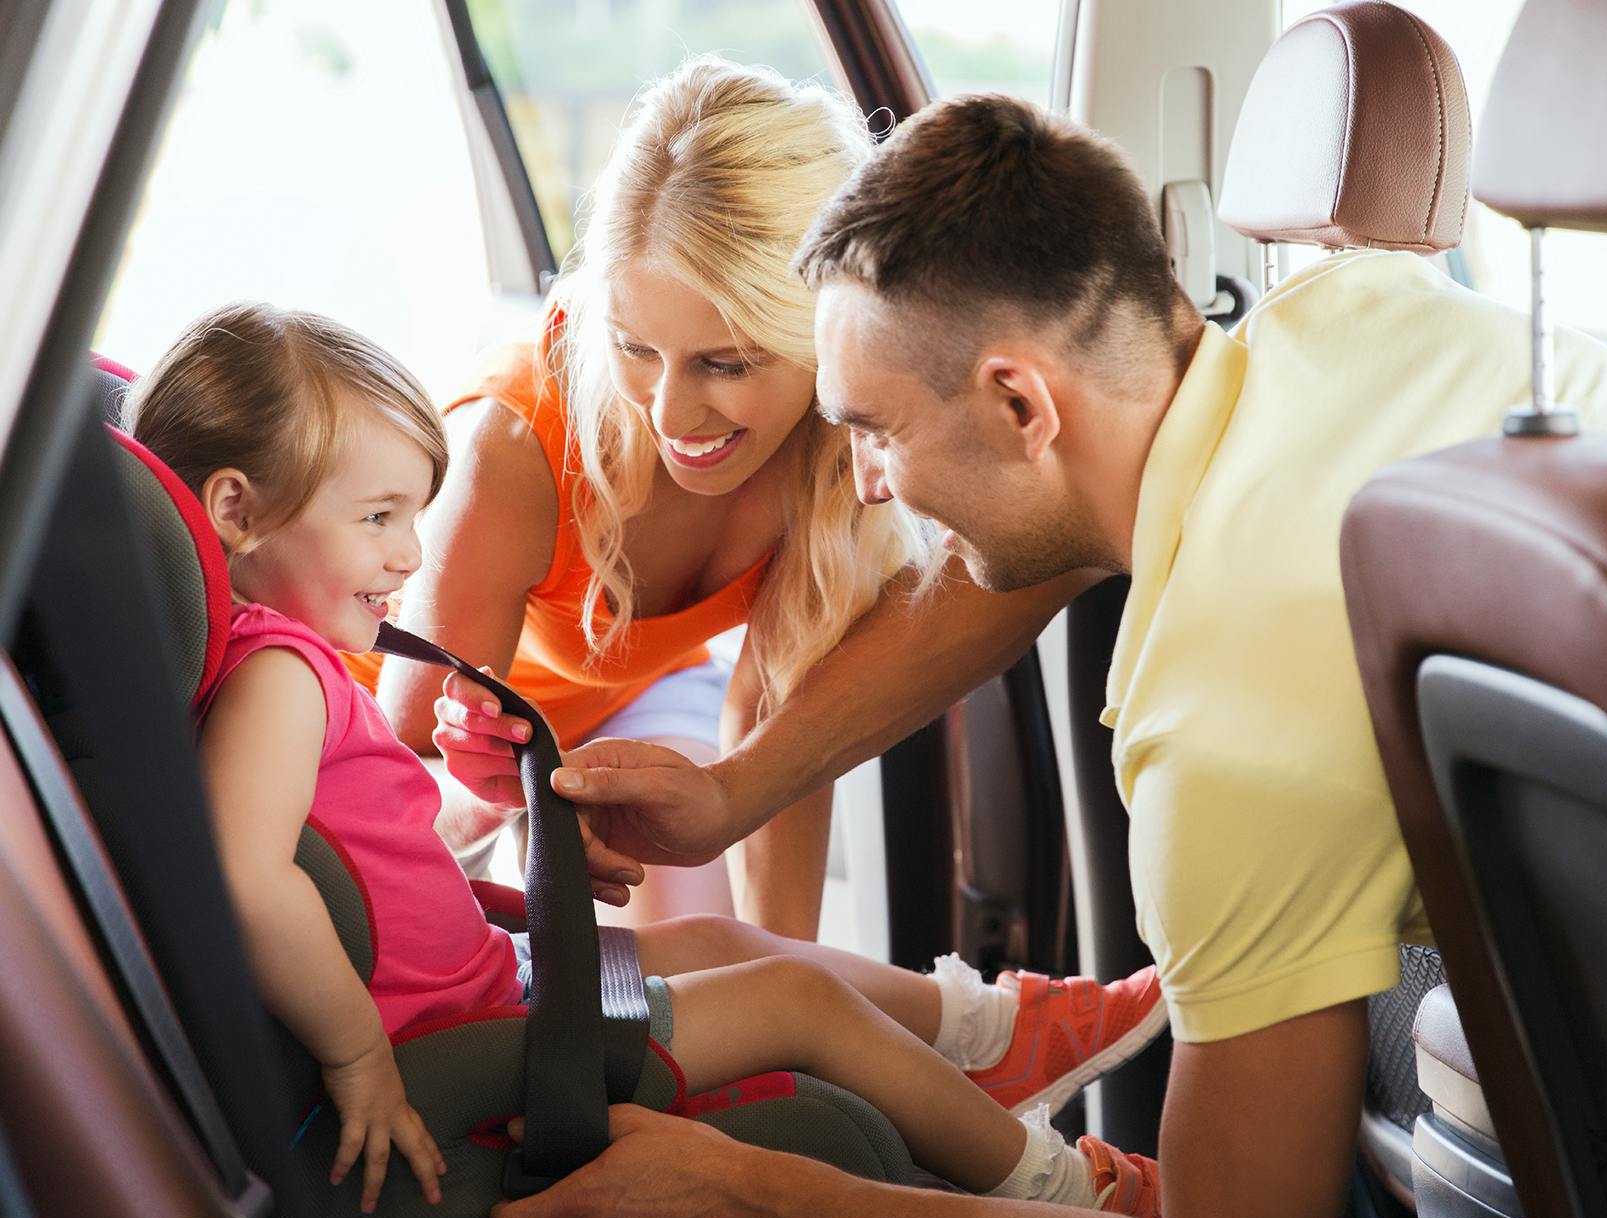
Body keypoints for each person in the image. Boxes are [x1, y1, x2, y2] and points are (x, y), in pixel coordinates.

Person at [479, 93, 1607, 1218]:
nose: (871, 482)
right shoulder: (1358, 321)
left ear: (1021, 404)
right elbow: (1005, 577)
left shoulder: (1226, 742)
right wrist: (731, 792)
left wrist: (760, 1209)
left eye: (877, 431)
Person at [137, 301, 1170, 1218]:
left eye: (413, 513)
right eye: (377, 518)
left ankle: (994, 1030)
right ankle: (1068, 1188)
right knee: (794, 1002)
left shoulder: (260, 668)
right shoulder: (280, 676)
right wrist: (359, 1051)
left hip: (491, 984)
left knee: (715, 932)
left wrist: (516, 886)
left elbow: (361, 871)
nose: (410, 553)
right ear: (234, 511)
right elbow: (247, 873)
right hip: (477, 1039)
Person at [371, 57, 1087, 938]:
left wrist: (785, 973)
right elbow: (403, 754)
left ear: (825, 334)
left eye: (726, 363)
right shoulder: (515, 445)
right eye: (635, 347)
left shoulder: (832, 450)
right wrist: (512, 803)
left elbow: (778, 725)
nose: (669, 412)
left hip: (633, 708)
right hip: (438, 758)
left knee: (709, 969)